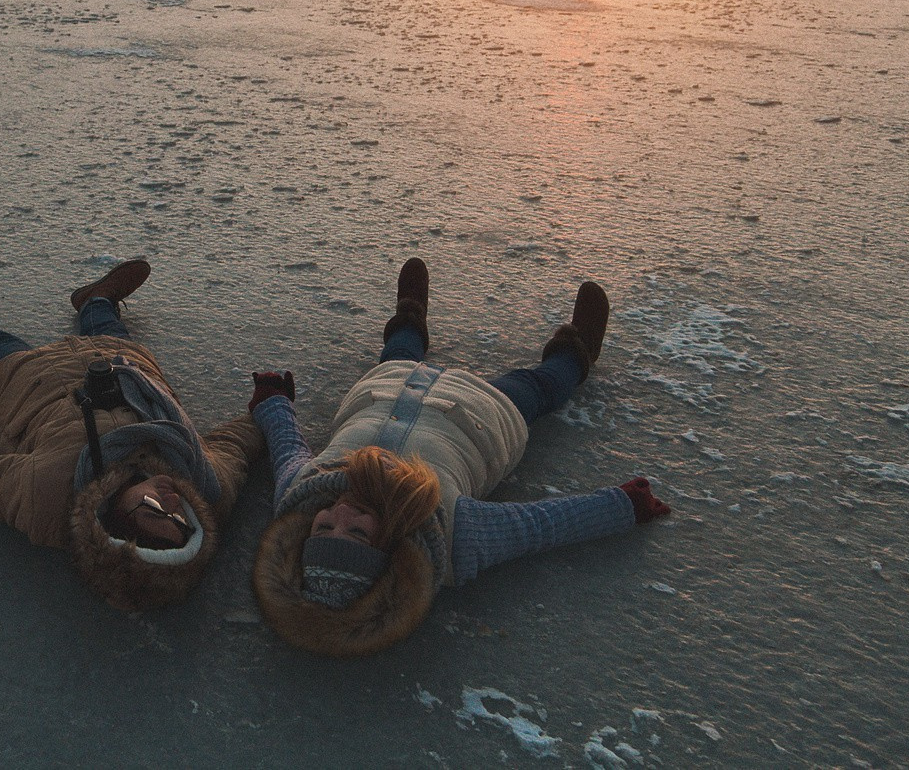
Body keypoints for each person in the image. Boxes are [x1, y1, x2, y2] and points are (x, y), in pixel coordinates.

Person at [248, 257, 671, 657]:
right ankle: (575, 351)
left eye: (324, 529)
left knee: (399, 349)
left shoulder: (300, 494)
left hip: (385, 388)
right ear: (388, 548)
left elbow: (287, 448)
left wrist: (272, 402)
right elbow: (539, 526)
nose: (340, 515)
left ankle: (410, 313)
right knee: (538, 387)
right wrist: (622, 505)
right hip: (480, 415)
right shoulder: (450, 533)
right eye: (357, 533)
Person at [0, 247, 263, 611]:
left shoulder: (46, 495)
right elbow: (235, 447)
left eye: (155, 511)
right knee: (107, 327)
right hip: (123, 365)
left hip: (33, 383)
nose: (172, 499)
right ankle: (95, 300)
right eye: (180, 519)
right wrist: (270, 406)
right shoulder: (203, 483)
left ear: (111, 523)